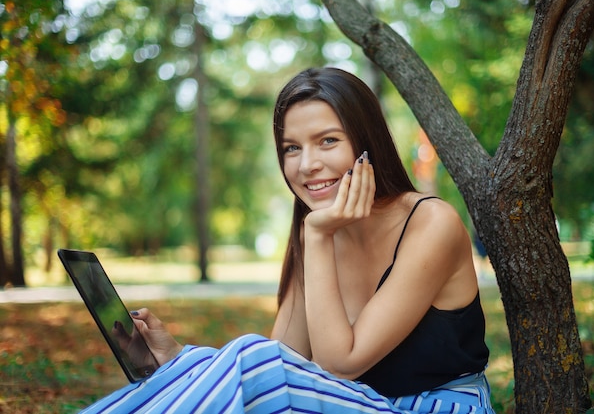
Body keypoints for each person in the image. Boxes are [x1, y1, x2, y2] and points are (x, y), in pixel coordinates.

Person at [82, 67, 494, 413]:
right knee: (252, 361)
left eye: (328, 141)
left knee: (253, 358)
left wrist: (317, 235)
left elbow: (337, 366)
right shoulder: (315, 228)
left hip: (436, 406)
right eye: (292, 148)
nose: (308, 165)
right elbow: (284, 361)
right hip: (359, 404)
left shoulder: (430, 223)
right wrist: (177, 360)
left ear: (367, 144)